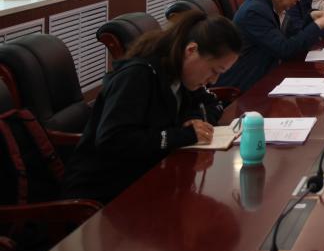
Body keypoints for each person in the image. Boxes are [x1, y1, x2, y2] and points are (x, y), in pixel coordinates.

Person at [63, 12, 242, 204]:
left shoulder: (182, 76)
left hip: (150, 179)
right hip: (105, 194)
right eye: (214, 70)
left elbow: (213, 103)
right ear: (191, 50)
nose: (214, 80)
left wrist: (193, 118)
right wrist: (183, 134)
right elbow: (113, 141)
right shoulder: (137, 76)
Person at [216, 0, 324, 93]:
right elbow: (285, 49)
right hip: (242, 89)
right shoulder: (255, 11)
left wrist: (312, 18)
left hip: (265, 80)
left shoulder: (272, 6)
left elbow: (294, 37)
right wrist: (319, 24)